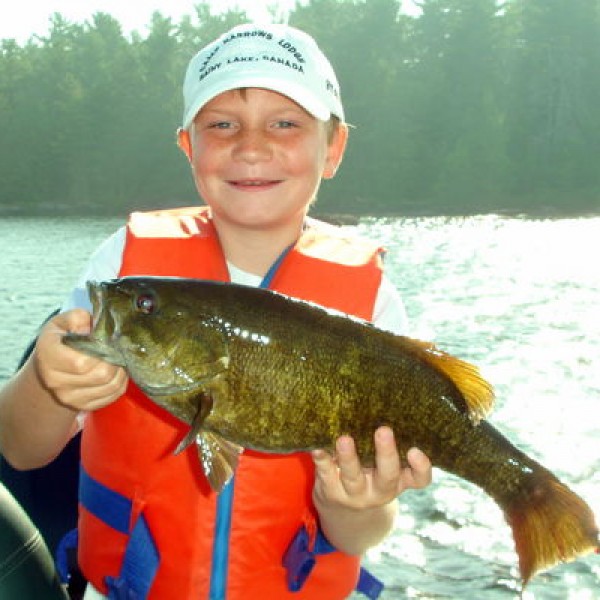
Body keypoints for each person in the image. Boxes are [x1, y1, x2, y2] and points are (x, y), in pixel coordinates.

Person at [0, 23, 432, 599]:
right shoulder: (125, 268)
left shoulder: (370, 300)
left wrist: (353, 504)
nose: (251, 146)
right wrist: (46, 384)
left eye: (285, 123)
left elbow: (362, 534)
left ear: (333, 147)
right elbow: (20, 448)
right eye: (222, 124)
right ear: (189, 146)